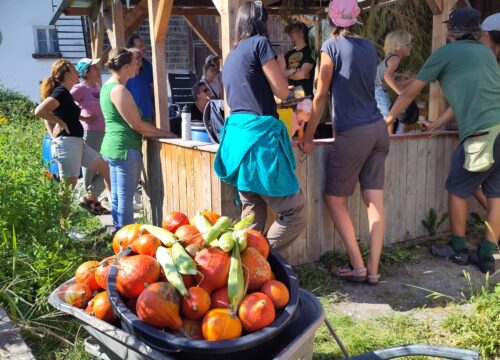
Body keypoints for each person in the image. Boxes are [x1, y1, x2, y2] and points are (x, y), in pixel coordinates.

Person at [387, 7, 500, 274]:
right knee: (496, 196)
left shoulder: (446, 53)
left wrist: (389, 118)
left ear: (451, 31)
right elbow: (474, 94)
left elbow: (411, 92)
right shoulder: (485, 53)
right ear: (476, 31)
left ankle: (458, 248)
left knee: (458, 188)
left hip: (480, 133)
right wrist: (437, 123)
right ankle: (486, 254)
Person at [299, 0, 388, 284]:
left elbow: (321, 95)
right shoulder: (370, 47)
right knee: (374, 202)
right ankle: (373, 271)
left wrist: (309, 135)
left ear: (331, 19)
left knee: (334, 199)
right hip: (377, 128)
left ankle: (358, 266)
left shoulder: (330, 47)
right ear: (356, 19)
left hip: (353, 133)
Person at [214, 1, 306, 251]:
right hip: (259, 145)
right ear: (260, 22)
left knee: (252, 215)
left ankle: (245, 275)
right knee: (295, 211)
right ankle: (261, 259)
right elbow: (281, 90)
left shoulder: (231, 55)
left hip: (239, 144)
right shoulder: (260, 44)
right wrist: (278, 64)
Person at [100, 48, 176, 231]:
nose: (138, 65)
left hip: (114, 148)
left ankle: (119, 236)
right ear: (126, 66)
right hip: (125, 148)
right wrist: (166, 133)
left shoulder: (107, 86)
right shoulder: (119, 90)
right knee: (124, 198)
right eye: (135, 62)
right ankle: (126, 243)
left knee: (118, 198)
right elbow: (137, 124)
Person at [35, 59, 111, 216]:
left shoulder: (65, 93)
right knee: (68, 190)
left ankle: (115, 208)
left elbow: (59, 113)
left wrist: (74, 120)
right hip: (67, 144)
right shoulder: (61, 92)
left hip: (77, 143)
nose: (78, 72)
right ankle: (64, 228)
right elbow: (40, 111)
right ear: (67, 73)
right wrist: (60, 124)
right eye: (74, 69)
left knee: (106, 168)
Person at [71, 57, 109, 214]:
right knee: (90, 168)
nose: (98, 70)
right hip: (91, 132)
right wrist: (83, 117)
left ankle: (90, 198)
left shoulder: (97, 87)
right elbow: (65, 105)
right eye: (94, 68)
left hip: (104, 132)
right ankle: (89, 199)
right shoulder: (79, 88)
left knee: (107, 166)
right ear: (86, 72)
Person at [281, 21, 316, 139]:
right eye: (289, 31)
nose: (290, 34)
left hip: (305, 97)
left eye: (293, 30)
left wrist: (288, 72)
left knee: (303, 135)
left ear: (301, 31)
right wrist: (295, 71)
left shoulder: (310, 52)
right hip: (290, 97)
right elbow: (281, 74)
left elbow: (303, 74)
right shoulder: (288, 54)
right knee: (290, 133)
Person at [374, 30, 414, 134]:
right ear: (398, 46)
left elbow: (391, 82)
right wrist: (400, 93)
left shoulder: (390, 59)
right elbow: (387, 77)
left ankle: (387, 138)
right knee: (389, 116)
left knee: (387, 116)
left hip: (377, 91)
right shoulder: (395, 59)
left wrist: (410, 81)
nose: (410, 47)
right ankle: (389, 140)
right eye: (407, 44)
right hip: (378, 91)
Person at [125, 34, 154, 123]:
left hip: (148, 114)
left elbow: (152, 89)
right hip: (134, 117)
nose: (144, 48)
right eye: (140, 46)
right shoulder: (124, 69)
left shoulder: (148, 65)